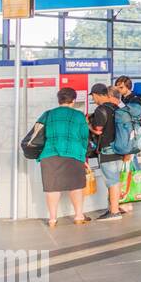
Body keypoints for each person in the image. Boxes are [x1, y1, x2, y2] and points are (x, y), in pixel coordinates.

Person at [34, 87, 91, 228]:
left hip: (50, 153)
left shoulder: (47, 114)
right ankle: (78, 216)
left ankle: (52, 219)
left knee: (52, 187)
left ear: (59, 100)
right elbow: (84, 137)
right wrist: (83, 156)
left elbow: (37, 133)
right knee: (76, 186)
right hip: (74, 153)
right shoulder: (78, 116)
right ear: (73, 100)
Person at [89, 83, 132, 222]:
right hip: (119, 149)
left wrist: (87, 123)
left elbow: (98, 130)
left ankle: (114, 212)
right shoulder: (116, 108)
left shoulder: (101, 109)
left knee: (112, 181)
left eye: (93, 96)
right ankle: (114, 207)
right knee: (116, 180)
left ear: (97, 94)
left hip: (107, 150)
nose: (93, 99)